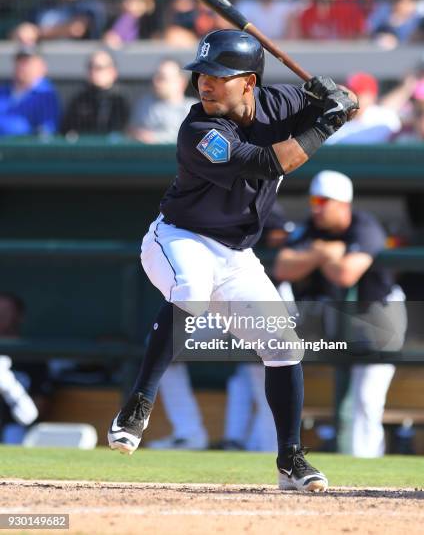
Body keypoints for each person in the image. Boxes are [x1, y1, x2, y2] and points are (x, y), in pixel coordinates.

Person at [107, 29, 358, 492]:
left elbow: (347, 103)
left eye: (218, 76)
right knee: (192, 292)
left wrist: (338, 97)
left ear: (248, 82)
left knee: (285, 347)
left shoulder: (280, 102)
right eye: (202, 74)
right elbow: (268, 162)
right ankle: (138, 403)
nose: (205, 83)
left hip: (238, 255)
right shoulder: (199, 131)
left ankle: (290, 460)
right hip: (180, 239)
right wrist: (328, 123)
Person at [273, 171, 407, 458]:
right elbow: (283, 267)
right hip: (340, 320)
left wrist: (313, 256)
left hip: (379, 318)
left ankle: (367, 466)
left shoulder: (364, 225)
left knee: (366, 399)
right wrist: (325, 253)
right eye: (313, 200)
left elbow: (346, 273)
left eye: (324, 201)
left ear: (342, 203)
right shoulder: (311, 228)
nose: (316, 207)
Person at [0, 293, 51, 443]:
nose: (1, 316)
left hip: (16, 433)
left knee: (14, 432)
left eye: (6, 311)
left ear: (19, 316)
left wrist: (10, 387)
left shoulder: (32, 359)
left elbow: (33, 413)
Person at [61, 49, 130, 136]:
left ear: (113, 71)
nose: (93, 72)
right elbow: (67, 130)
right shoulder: (79, 99)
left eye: (99, 68)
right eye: (91, 67)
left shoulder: (121, 100)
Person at [128, 59, 197, 144]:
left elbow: (196, 138)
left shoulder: (193, 109)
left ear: (181, 82)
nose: (156, 82)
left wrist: (155, 138)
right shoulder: (144, 104)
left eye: (162, 78)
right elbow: (130, 133)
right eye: (155, 77)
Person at [325, 72, 402, 144]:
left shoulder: (386, 118)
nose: (350, 98)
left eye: (356, 94)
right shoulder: (333, 118)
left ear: (371, 96)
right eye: (347, 94)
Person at [0, 46, 61, 136]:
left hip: (20, 148)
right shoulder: (3, 91)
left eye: (27, 62)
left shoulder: (45, 96)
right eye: (19, 61)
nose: (21, 66)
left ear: (42, 66)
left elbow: (46, 132)